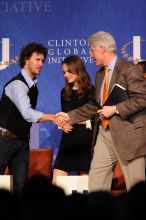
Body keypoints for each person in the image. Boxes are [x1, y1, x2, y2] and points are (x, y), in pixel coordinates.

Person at [55, 31, 146, 192]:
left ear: (103, 49)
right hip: (104, 133)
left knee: (136, 188)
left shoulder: (129, 70)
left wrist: (116, 109)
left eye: (92, 50)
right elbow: (95, 106)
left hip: (128, 135)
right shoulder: (99, 75)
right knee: (96, 180)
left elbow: (142, 98)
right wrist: (69, 116)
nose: (90, 55)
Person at [0, 42, 56, 193]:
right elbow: (27, 113)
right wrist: (53, 117)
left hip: (22, 142)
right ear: (26, 59)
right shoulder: (17, 84)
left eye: (43, 61)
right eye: (37, 60)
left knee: (21, 189)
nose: (41, 64)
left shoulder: (33, 86)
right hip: (4, 140)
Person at [52, 55, 95, 185]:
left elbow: (94, 118)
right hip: (68, 140)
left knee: (85, 184)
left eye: (69, 71)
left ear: (78, 69)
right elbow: (65, 116)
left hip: (85, 140)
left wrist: (72, 120)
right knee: (57, 182)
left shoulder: (91, 91)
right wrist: (63, 124)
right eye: (64, 72)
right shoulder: (64, 92)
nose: (66, 74)